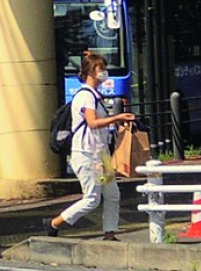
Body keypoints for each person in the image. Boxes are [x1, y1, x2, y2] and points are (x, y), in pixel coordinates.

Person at [51, 52, 137, 239]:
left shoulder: (95, 95)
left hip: (101, 155)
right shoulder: (85, 96)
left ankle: (109, 232)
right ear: (90, 72)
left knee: (112, 194)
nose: (104, 73)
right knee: (91, 198)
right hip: (86, 154)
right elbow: (92, 122)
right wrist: (117, 117)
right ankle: (55, 223)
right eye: (101, 69)